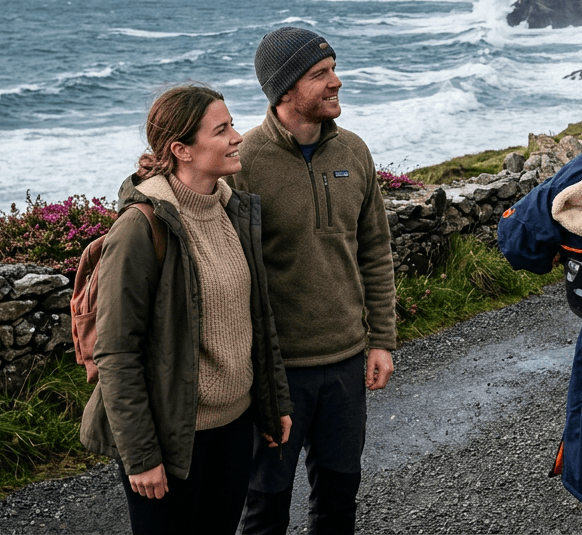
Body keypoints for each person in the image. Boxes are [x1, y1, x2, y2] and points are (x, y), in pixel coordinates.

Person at [80, 84, 294, 535]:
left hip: (234, 427)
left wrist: (273, 404)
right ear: (182, 150)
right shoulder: (141, 229)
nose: (238, 137)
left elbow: (257, 317)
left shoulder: (232, 209)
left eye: (233, 124)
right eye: (222, 130)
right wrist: (142, 457)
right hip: (174, 437)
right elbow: (117, 353)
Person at [230, 28, 397, 535]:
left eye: (333, 69)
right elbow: (234, 274)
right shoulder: (244, 163)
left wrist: (382, 341)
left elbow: (374, 251)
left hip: (347, 362)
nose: (336, 82)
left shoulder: (354, 151)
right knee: (265, 510)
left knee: (339, 503)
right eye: (320, 75)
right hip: (279, 373)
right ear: (284, 91)